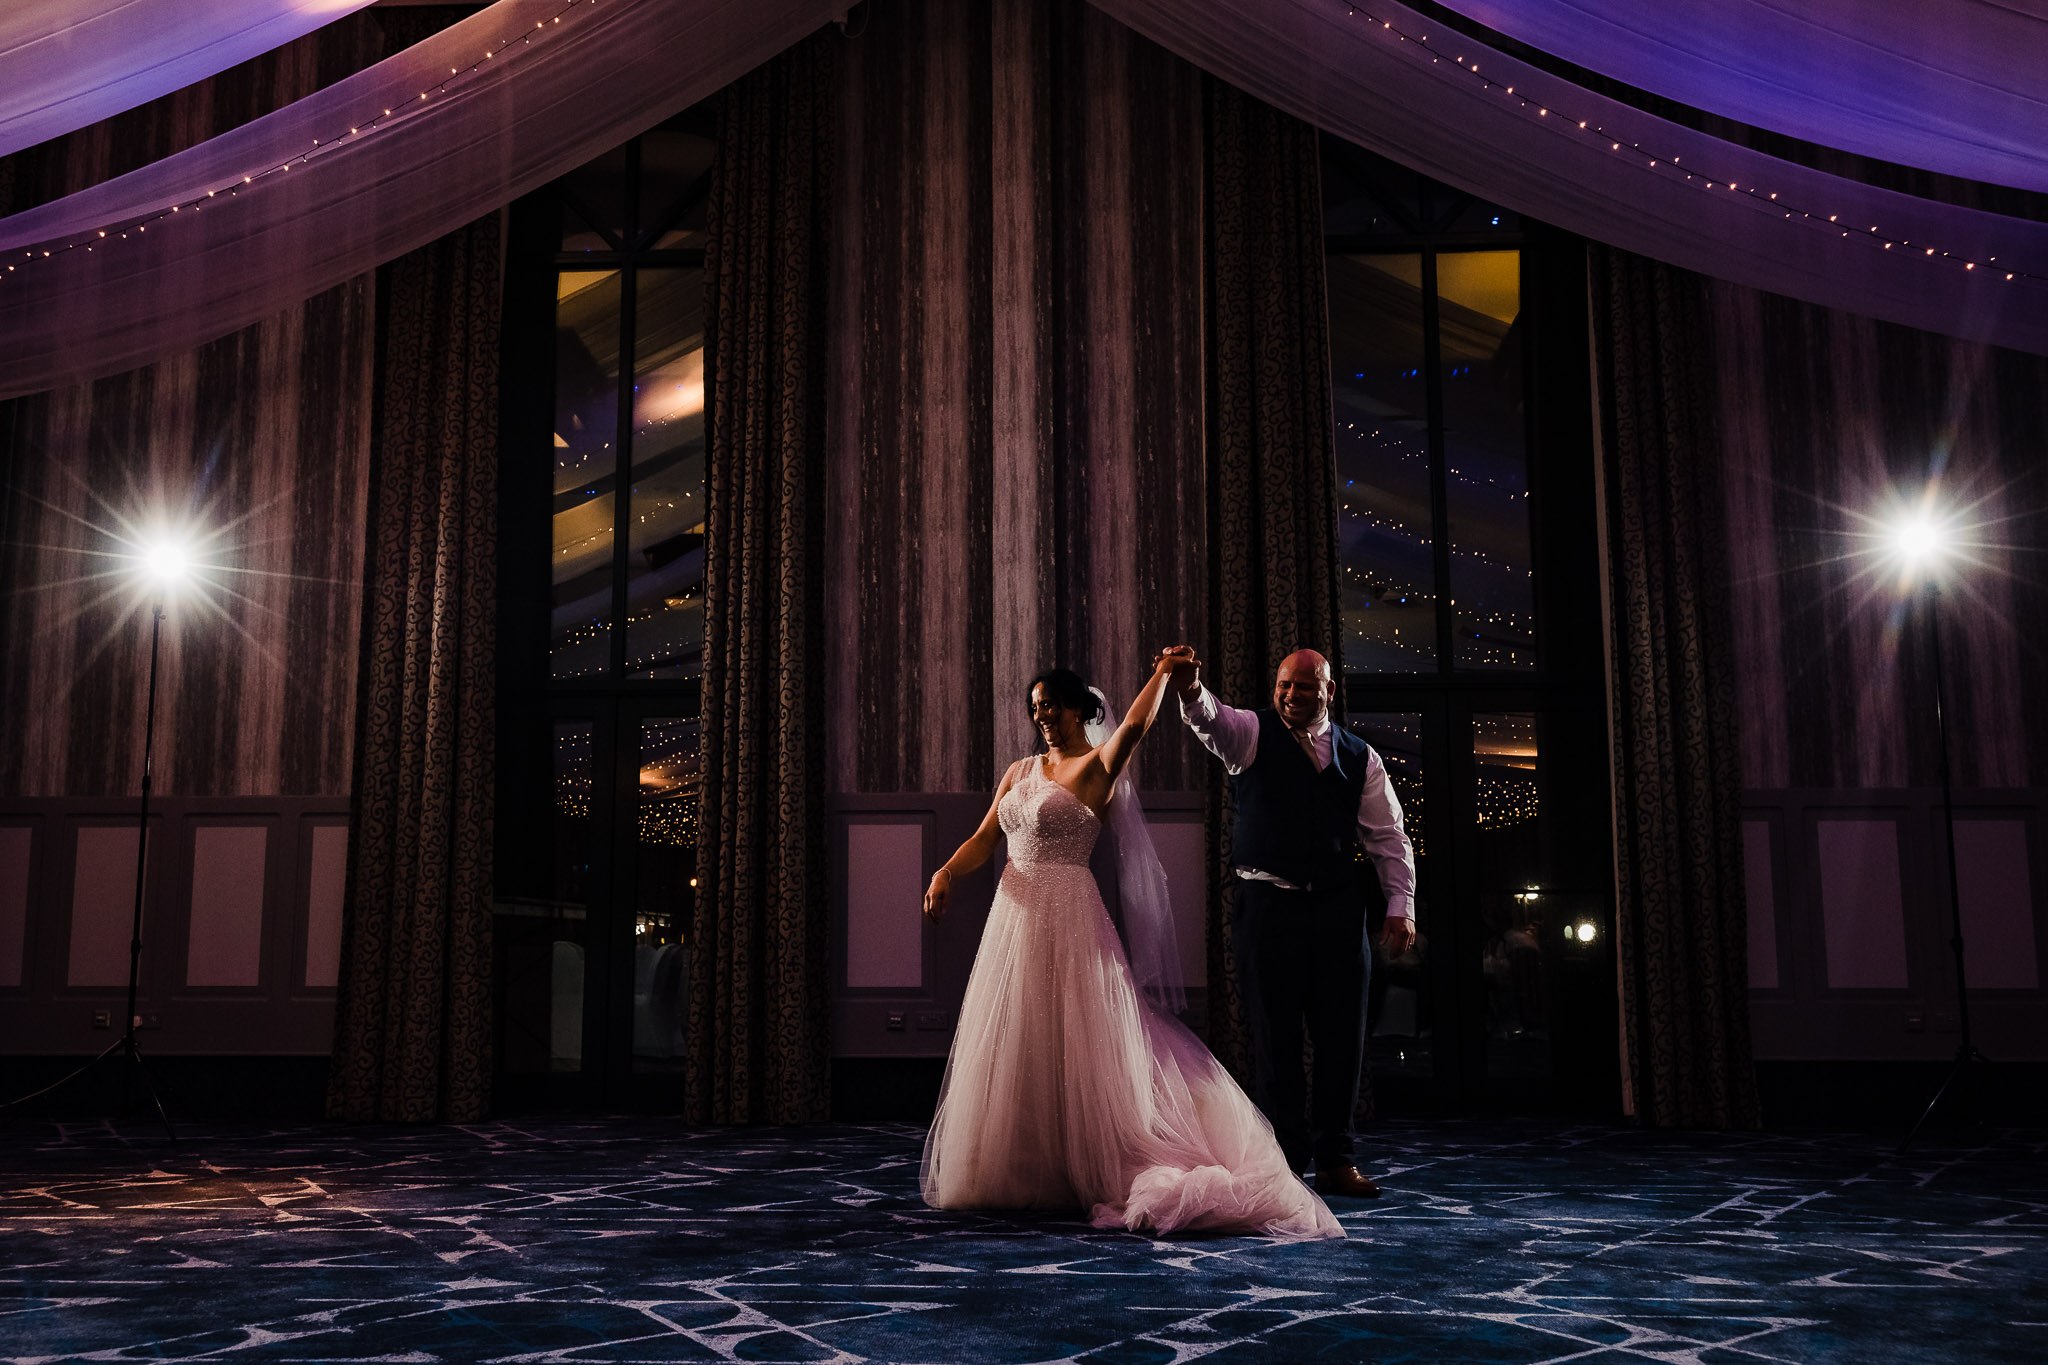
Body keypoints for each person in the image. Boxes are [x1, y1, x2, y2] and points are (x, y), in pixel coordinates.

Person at [919, 656, 1341, 1240]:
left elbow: (1137, 727)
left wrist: (1166, 671)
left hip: (1068, 913)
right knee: (1022, 1037)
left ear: (1078, 710)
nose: (1043, 716)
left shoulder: (1097, 767)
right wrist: (945, 871)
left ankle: (1105, 1160)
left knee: (1084, 1043)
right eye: (1035, 707)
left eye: (1053, 705)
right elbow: (986, 836)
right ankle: (1029, 1164)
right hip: (1012, 920)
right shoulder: (1019, 771)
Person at [1168, 646, 1416, 1199]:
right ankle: (1285, 1164)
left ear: (1329, 691)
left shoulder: (1360, 756)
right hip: (1268, 909)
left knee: (1342, 1041)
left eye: (1304, 687)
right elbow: (1211, 720)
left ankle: (1337, 1160)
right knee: (1276, 1041)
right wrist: (1189, 690)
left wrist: (1400, 906)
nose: (1290, 694)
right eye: (1284, 684)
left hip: (1336, 910)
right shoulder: (1251, 733)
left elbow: (1389, 838)